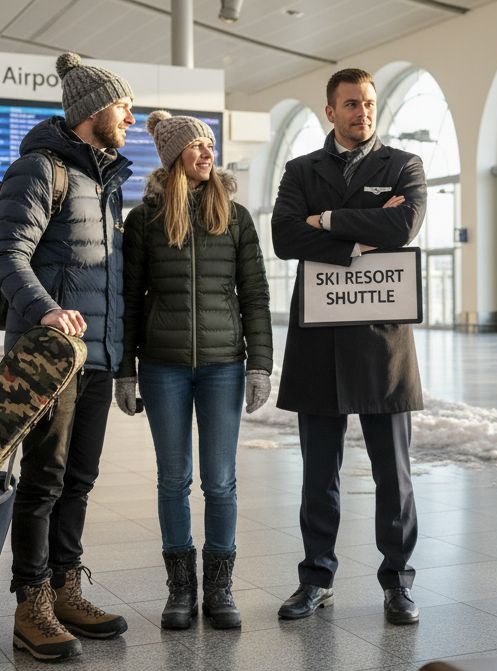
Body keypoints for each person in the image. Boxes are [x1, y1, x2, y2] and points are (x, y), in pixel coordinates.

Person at [0, 51, 134, 662]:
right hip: (49, 358)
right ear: (93, 111)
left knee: (80, 479)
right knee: (44, 480)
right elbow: (6, 255)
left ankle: (67, 589)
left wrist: (121, 355)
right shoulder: (39, 170)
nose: (130, 119)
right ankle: (32, 605)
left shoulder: (105, 183)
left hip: (96, 357)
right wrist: (46, 310)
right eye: (123, 107)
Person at [270, 68, 427, 625]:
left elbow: (402, 227)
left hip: (383, 344)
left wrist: (329, 220)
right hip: (318, 344)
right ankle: (316, 579)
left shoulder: (404, 165)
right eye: (352, 103)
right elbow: (285, 237)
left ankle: (398, 583)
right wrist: (362, 235)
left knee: (394, 475)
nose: (363, 112)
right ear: (330, 111)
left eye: (369, 103)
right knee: (318, 475)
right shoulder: (300, 170)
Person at [115, 111, 273, 631]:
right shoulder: (145, 220)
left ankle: (220, 588)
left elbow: (255, 295)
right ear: (173, 156)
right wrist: (125, 370)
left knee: (220, 482)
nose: (207, 152)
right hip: (163, 366)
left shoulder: (236, 217)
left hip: (224, 365)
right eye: (196, 145)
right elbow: (129, 300)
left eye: (210, 144)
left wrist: (260, 364)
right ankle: (181, 590)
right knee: (173, 480)